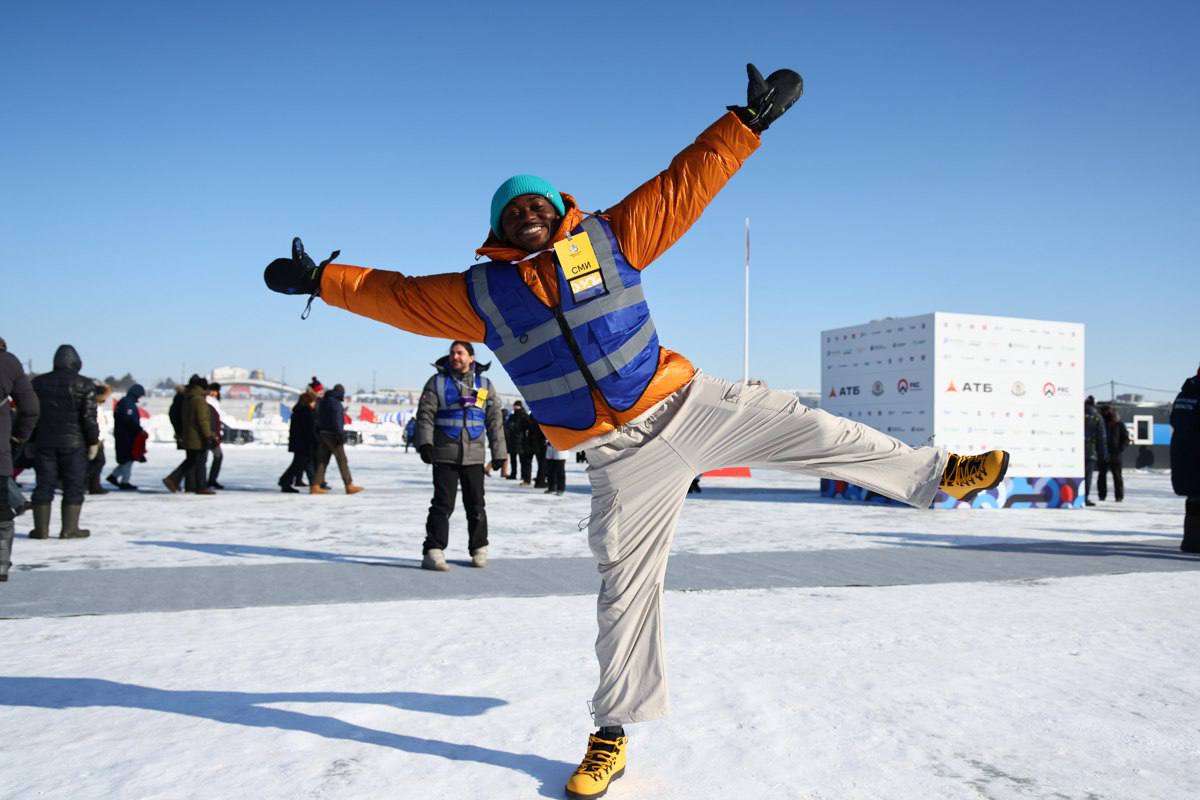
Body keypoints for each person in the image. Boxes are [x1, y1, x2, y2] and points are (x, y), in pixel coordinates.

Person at [265, 63, 1008, 799]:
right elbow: (392, 294)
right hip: (619, 460)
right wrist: (322, 282)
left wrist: (744, 125)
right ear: (497, 228)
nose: (527, 210)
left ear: (560, 209)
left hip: (687, 403)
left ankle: (937, 474)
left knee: (811, 427)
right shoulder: (479, 297)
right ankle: (612, 733)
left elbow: (684, 185)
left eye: (538, 201)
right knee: (625, 591)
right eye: (513, 208)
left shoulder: (611, 238)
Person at [415, 341, 506, 570]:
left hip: (474, 456)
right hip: (445, 454)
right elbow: (425, 415)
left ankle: (479, 548)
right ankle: (433, 550)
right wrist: (425, 443)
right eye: (452, 353)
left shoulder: (484, 385)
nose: (455, 356)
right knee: (442, 504)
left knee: (476, 505)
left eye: (460, 353)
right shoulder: (437, 382)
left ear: (471, 357)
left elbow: (494, 421)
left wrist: (499, 453)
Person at [30, 344, 99, 540]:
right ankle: (70, 529)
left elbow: (31, 414)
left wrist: (29, 439)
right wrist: (93, 441)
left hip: (44, 443)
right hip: (74, 444)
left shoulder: (39, 383)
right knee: (74, 484)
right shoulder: (85, 384)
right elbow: (89, 417)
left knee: (44, 484)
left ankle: (40, 529)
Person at [1, 337, 40, 580]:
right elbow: (30, 408)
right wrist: (18, 438)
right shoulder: (9, 363)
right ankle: (1, 563)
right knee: (1, 513)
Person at [163, 375, 215, 495]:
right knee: (199, 461)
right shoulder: (199, 400)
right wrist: (208, 435)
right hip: (197, 436)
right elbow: (202, 420)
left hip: (188, 434)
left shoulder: (187, 397)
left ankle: (184, 483)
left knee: (191, 460)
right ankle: (199, 486)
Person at [312, 383, 362, 495]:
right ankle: (349, 485)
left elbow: (317, 417)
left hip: (323, 433)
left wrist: (318, 431)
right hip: (333, 435)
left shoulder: (323, 401)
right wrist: (340, 434)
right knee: (342, 460)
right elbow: (337, 420)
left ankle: (315, 485)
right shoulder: (336, 403)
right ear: (341, 393)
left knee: (322, 461)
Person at [1170, 366, 1199, 554]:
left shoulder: (1184, 394)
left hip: (1183, 453)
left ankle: (1191, 542)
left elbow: (1174, 420)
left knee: (1194, 498)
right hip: (1196, 452)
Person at [107, 384, 145, 490]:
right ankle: (124, 481)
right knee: (128, 458)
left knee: (128, 459)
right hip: (126, 436)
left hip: (125, 435)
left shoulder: (125, 402)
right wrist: (138, 429)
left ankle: (114, 476)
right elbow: (128, 420)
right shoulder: (127, 403)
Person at [279, 389, 318, 493]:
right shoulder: (306, 413)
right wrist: (315, 441)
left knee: (299, 464)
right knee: (298, 465)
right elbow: (309, 430)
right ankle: (284, 481)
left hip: (299, 443)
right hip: (304, 444)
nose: (315, 404)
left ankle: (314, 485)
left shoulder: (299, 411)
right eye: (314, 401)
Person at [1097, 406, 1129, 503]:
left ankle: (1119, 496)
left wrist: (1120, 449)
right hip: (1104, 454)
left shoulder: (1119, 425)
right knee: (1102, 475)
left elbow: (1125, 438)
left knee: (1117, 476)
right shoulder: (1101, 424)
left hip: (1116, 455)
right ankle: (1102, 495)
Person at [86, 383, 113, 495]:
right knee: (98, 462)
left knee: (96, 462)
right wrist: (96, 438)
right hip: (95, 438)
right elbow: (95, 423)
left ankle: (94, 485)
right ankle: (87, 483)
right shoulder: (94, 406)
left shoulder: (98, 406)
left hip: (98, 438)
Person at [1083, 396, 1108, 506]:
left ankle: (1074, 495)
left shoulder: (1077, 414)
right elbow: (1101, 437)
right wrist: (1103, 454)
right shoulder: (1097, 417)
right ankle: (1084, 497)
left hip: (1076, 451)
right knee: (1087, 476)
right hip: (1091, 452)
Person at [504, 401, 531, 482]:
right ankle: (513, 474)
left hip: (521, 440)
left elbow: (526, 426)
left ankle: (523, 475)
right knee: (513, 459)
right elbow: (507, 425)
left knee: (522, 459)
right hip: (513, 440)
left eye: (516, 406)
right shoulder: (512, 416)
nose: (515, 408)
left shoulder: (524, 416)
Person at [206, 382, 225, 489]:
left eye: (216, 391)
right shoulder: (208, 401)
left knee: (216, 456)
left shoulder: (215, 402)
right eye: (212, 391)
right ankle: (211, 480)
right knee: (217, 456)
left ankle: (211, 479)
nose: (214, 393)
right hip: (210, 434)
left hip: (213, 433)